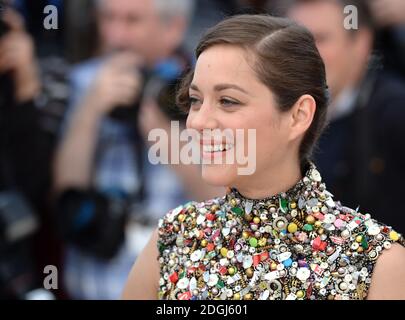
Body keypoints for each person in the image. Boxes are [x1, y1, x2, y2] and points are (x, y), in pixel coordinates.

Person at [122, 14, 405, 300]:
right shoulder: (175, 236)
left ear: (298, 115)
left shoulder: (376, 260)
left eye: (228, 101)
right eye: (196, 100)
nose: (197, 122)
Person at [53, 0, 222, 300]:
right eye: (108, 18)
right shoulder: (83, 81)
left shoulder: (214, 91)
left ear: (174, 28)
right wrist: (90, 110)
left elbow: (226, 204)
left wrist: (166, 138)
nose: (116, 35)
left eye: (132, 21)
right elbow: (65, 195)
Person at [288, 0, 405, 234]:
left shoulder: (395, 113)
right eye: (294, 43)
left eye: (320, 39)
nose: (306, 54)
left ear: (361, 43)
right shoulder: (277, 115)